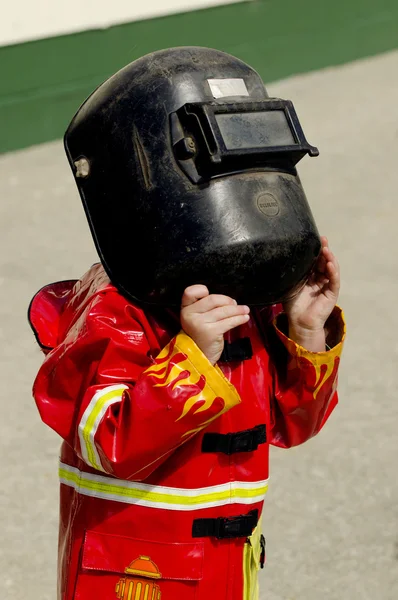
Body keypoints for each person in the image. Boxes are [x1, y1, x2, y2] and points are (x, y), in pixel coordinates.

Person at [29, 47, 345, 600]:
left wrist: (305, 331)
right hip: (135, 570)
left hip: (224, 565)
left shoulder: (245, 297)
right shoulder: (118, 307)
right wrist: (193, 357)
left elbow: (291, 427)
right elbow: (103, 441)